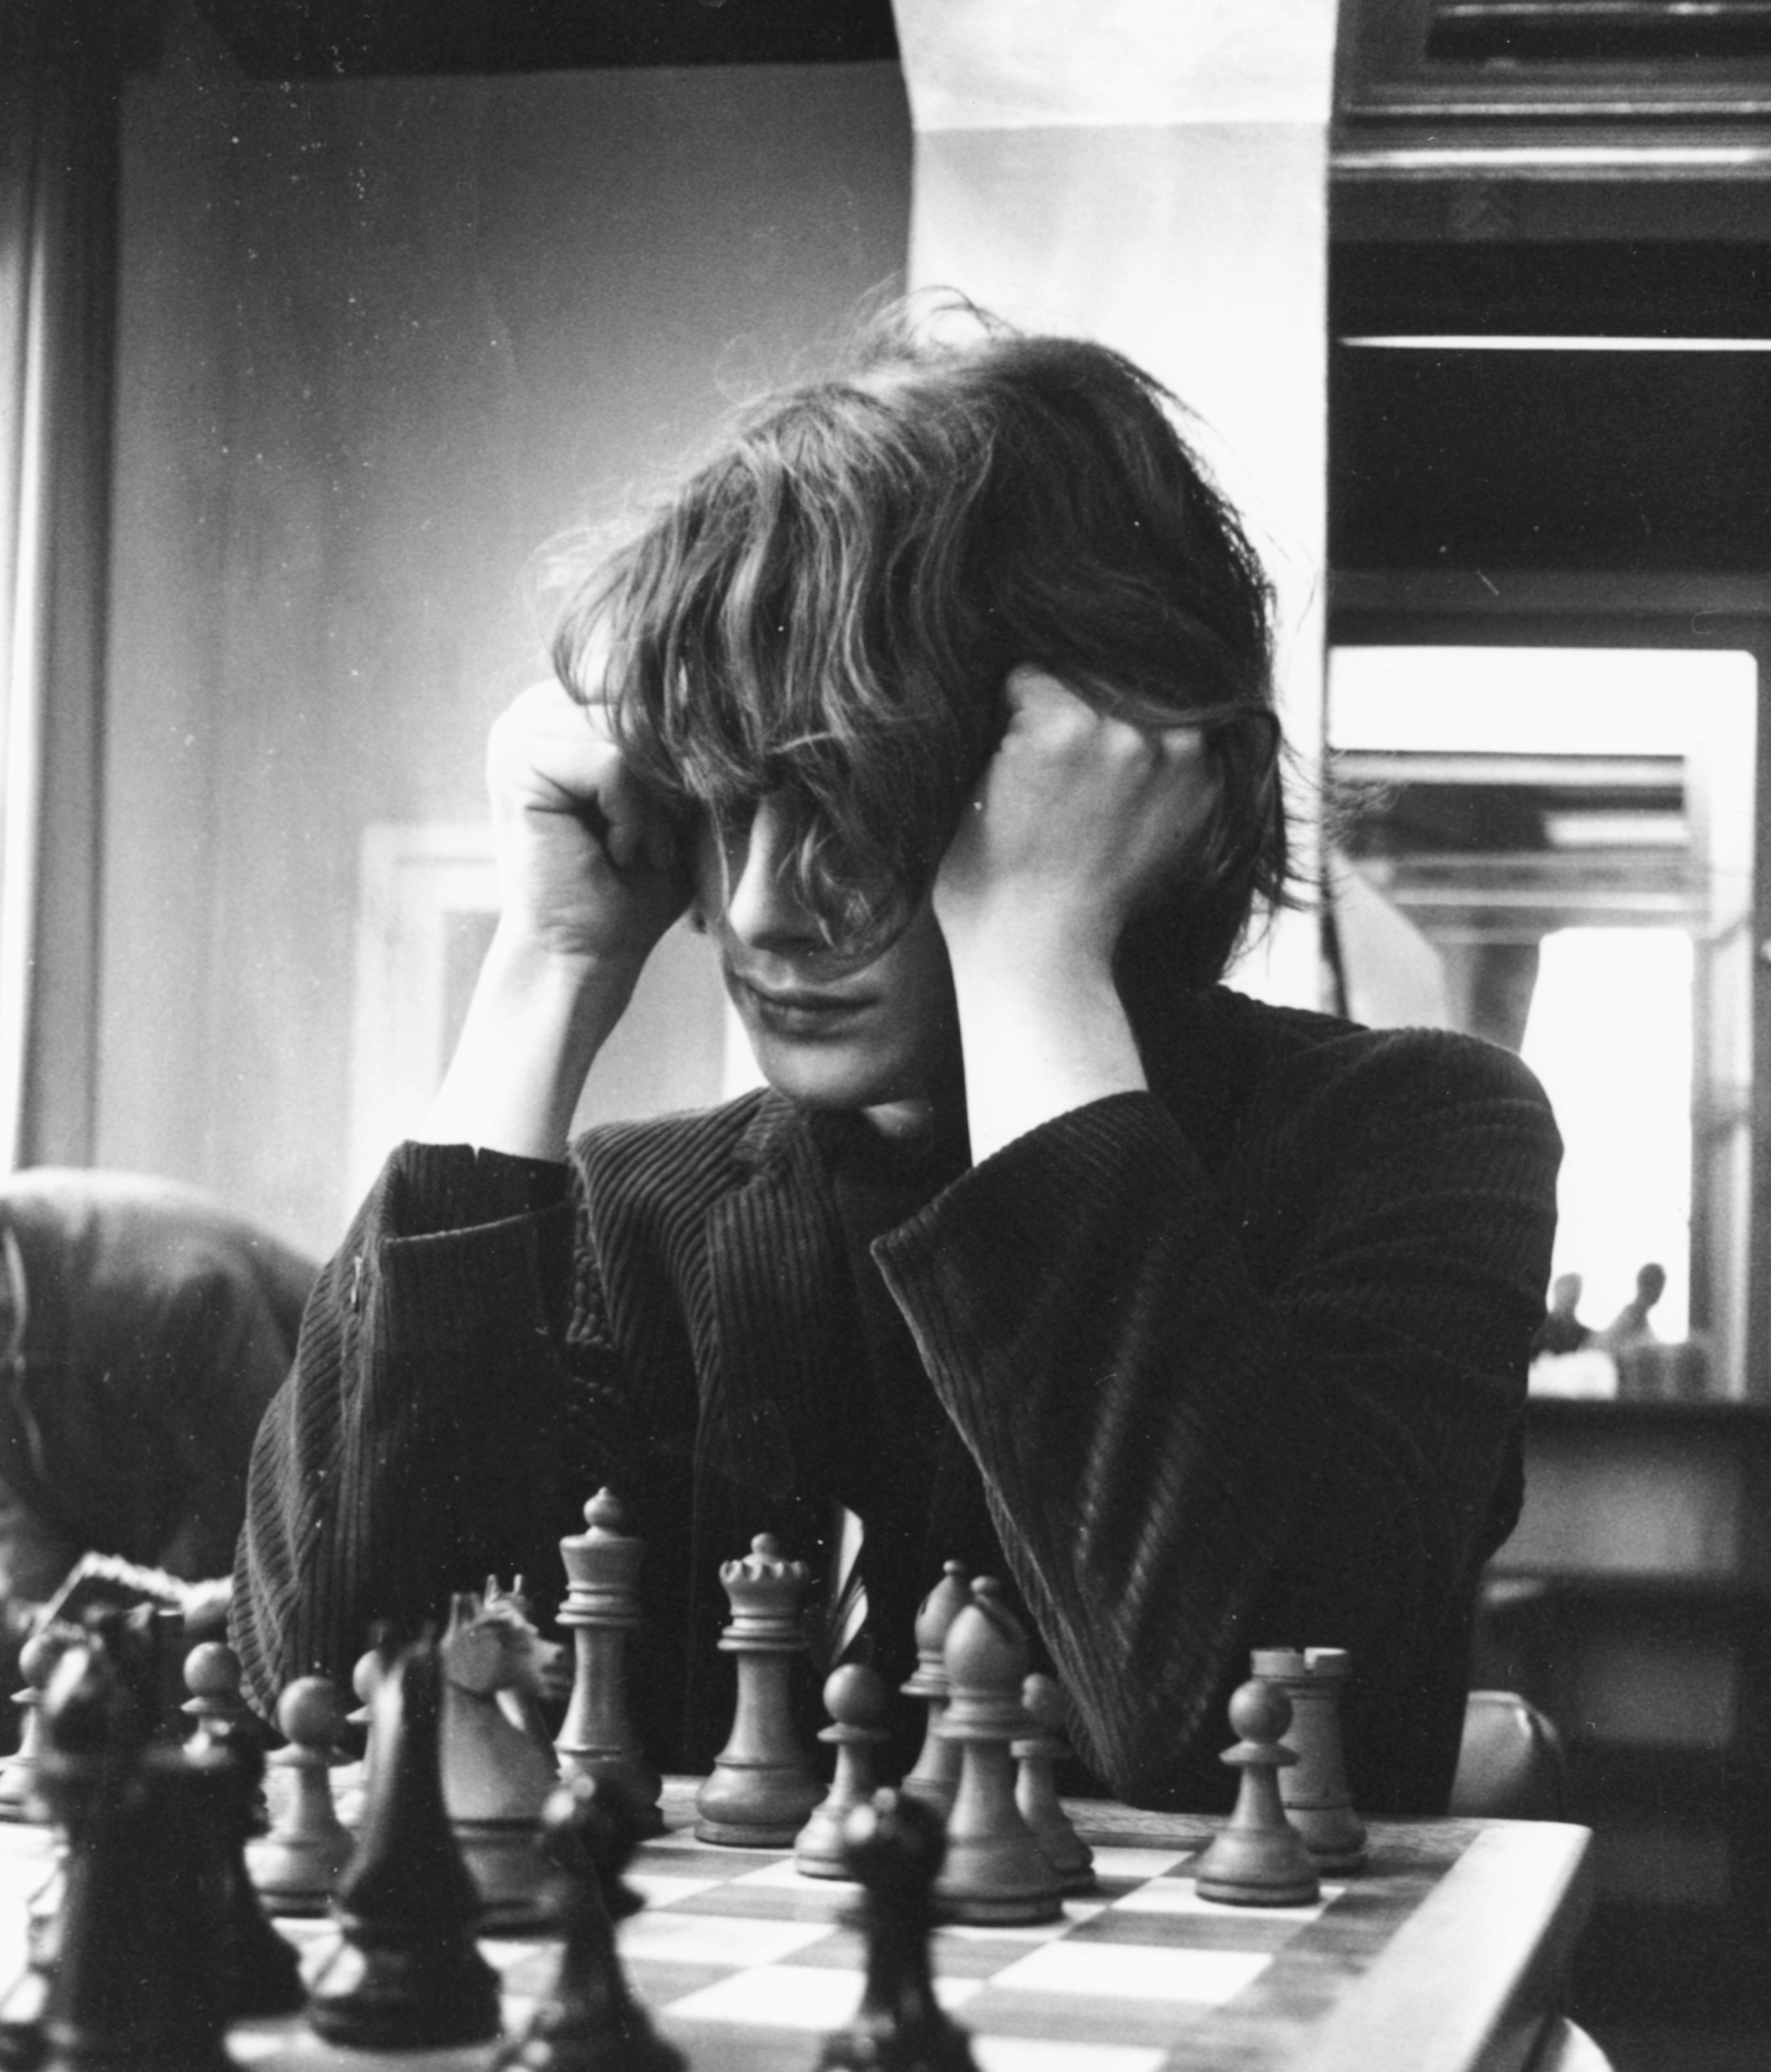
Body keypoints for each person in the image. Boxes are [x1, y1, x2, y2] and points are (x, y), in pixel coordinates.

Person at [235, 310, 1560, 1816]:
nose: (754, 907)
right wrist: (547, 967)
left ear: (1095, 780)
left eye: (863, 796)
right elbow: (336, 1705)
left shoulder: (1414, 1132)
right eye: (726, 800)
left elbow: (1234, 1721)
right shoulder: (645, 1211)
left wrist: (1033, 951)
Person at [0, 1167, 314, 1647]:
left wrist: (122, 1639)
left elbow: (256, 1499)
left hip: (312, 1539)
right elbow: (34, 1510)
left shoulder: (165, 1292)